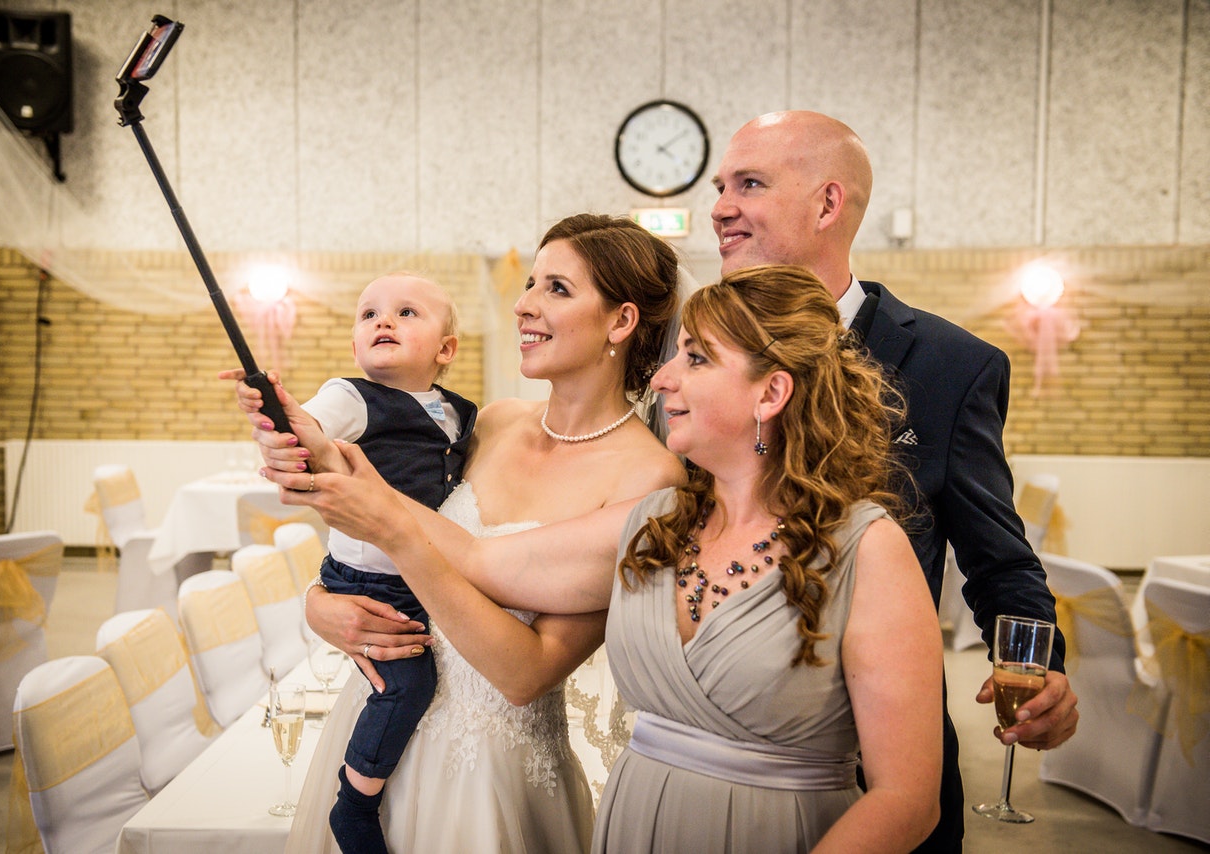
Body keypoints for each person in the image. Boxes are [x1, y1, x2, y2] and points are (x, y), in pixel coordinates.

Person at [258, 265, 945, 851]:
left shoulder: (867, 545)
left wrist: (370, 506)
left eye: (697, 359)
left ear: (771, 393)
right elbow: (479, 558)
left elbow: (908, 797)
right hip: (636, 823)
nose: (666, 377)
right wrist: (329, 522)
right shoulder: (659, 523)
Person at [239, 213, 688, 854]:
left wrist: (387, 523)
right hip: (379, 723)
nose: (524, 304)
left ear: (621, 321)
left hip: (492, 771)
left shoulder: (651, 480)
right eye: (531, 283)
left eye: (556, 289)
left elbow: (525, 672)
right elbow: (394, 536)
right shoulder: (497, 423)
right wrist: (323, 602)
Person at [709, 110, 1079, 850]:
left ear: (827, 203)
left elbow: (998, 558)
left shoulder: (950, 365)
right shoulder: (694, 354)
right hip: (714, 734)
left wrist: (1039, 671)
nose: (719, 207)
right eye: (720, 186)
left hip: (877, 751)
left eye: (748, 184)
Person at [228, 272, 477, 854]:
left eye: (406, 312)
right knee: (407, 683)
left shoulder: (461, 414)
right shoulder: (350, 397)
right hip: (371, 580)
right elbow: (304, 432)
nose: (383, 321)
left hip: (419, 573)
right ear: (355, 344)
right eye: (369, 315)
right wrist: (274, 414)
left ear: (446, 350)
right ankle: (356, 804)